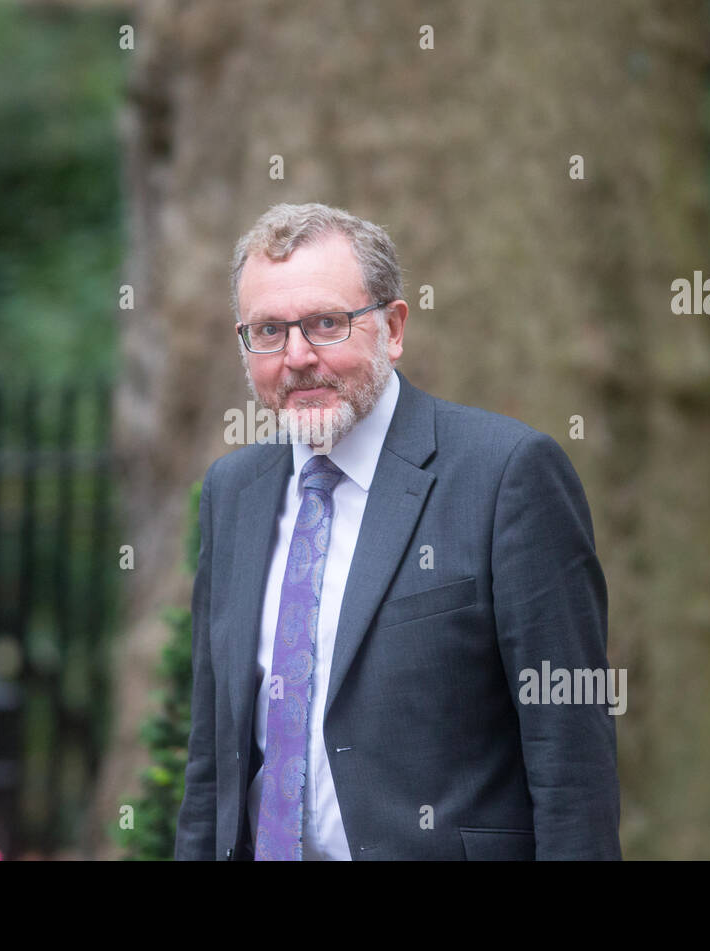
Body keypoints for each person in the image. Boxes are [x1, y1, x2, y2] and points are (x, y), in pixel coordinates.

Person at [174, 202, 621, 860]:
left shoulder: (506, 476)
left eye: (326, 323)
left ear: (393, 327)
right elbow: (211, 760)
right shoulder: (232, 492)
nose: (297, 356)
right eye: (268, 330)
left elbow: (571, 759)